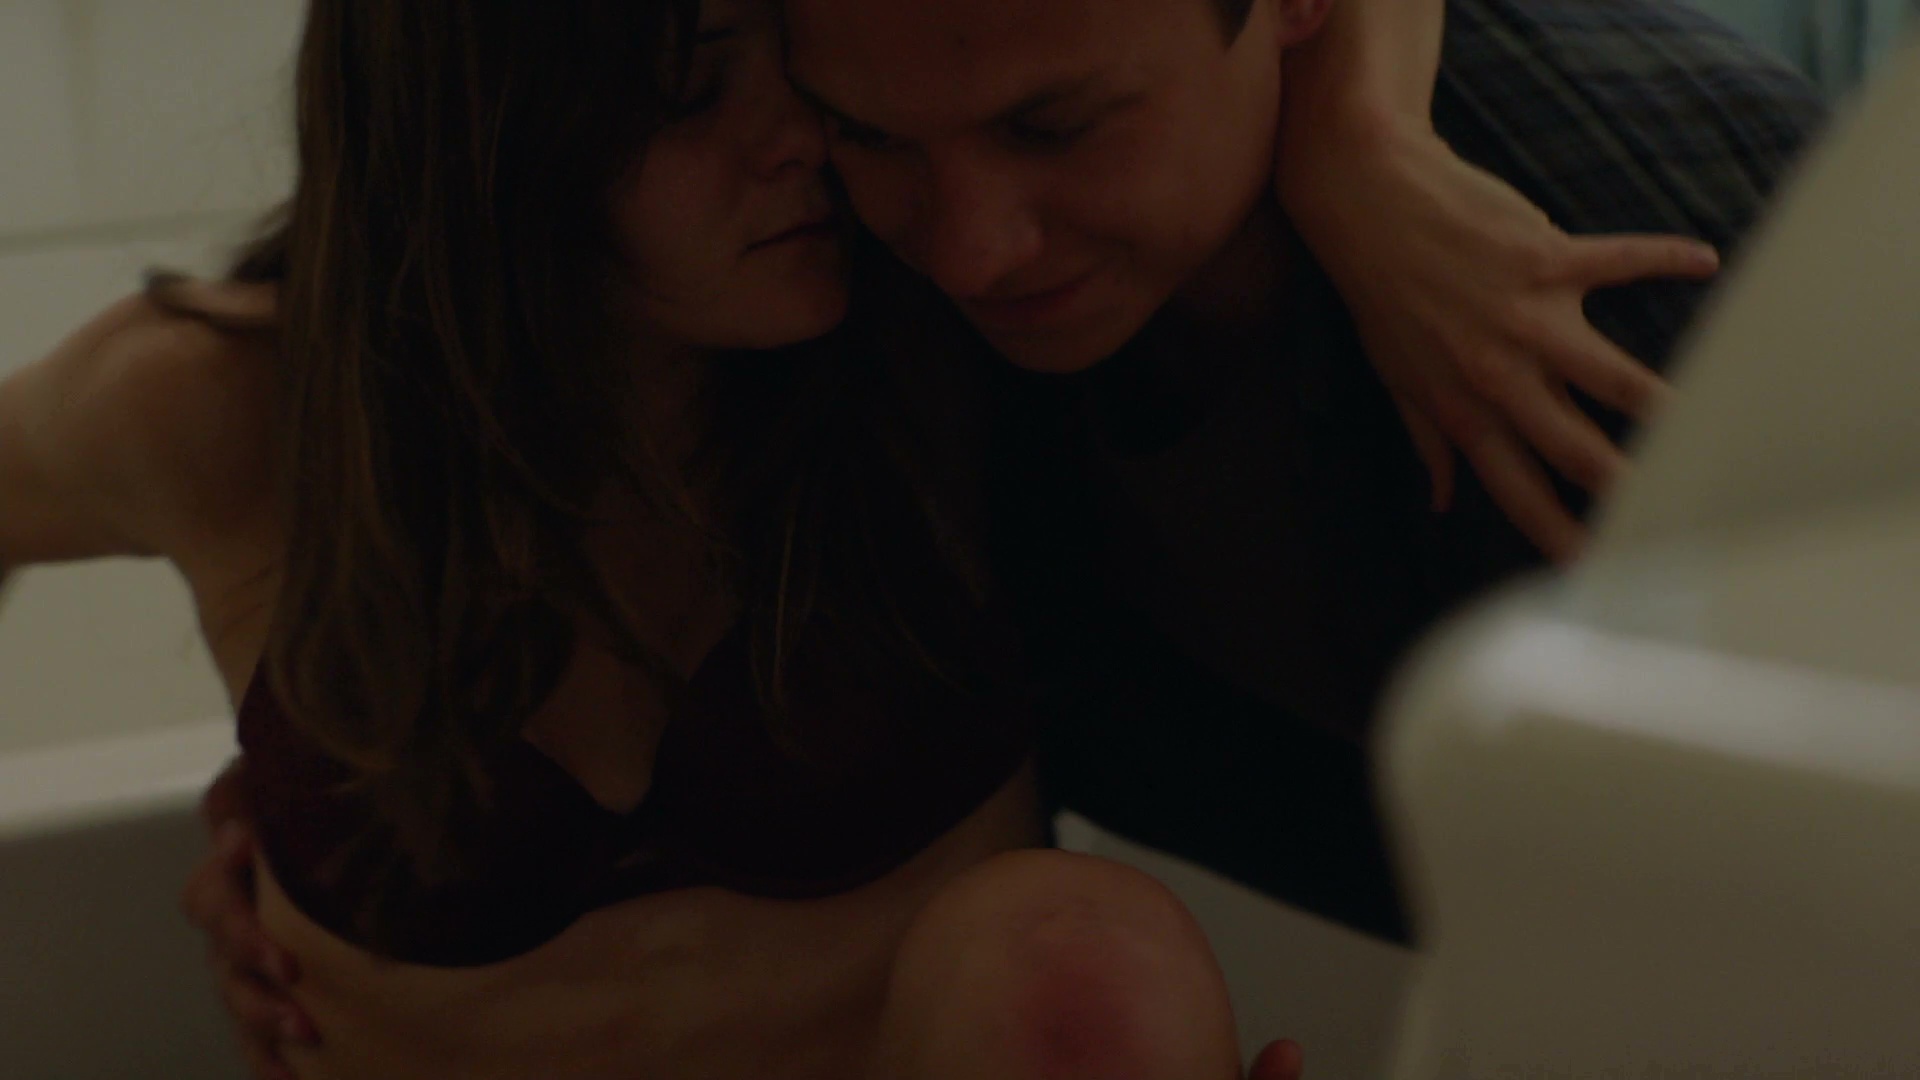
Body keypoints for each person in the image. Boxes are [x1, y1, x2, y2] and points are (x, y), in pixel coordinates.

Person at [1, 1, 1305, 1078]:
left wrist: (1368, 151)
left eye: (798, 67)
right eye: (690, 92)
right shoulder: (230, 407)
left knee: (1080, 960)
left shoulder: (948, 316)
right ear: (487, 135)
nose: (801, 139)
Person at [776, 0, 1830, 947]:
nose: (970, 254)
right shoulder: (835, 243)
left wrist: (1359, 131)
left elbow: (1789, 933)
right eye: (867, 135)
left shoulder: (1599, 293)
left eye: (1054, 127)